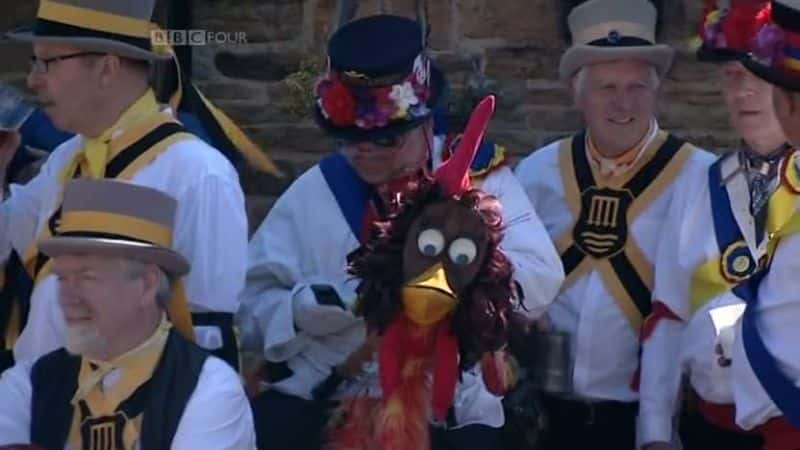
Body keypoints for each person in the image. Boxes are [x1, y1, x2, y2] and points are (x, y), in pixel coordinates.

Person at [237, 14, 564, 450]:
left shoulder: (483, 180)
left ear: (426, 123)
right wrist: (304, 308)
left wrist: (460, 279)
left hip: (452, 415)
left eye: (386, 140)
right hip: (337, 409)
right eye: (349, 140)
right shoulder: (315, 192)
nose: (364, 152)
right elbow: (250, 306)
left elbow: (542, 277)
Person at [0, 0, 248, 372]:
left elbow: (205, 337)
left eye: (46, 62)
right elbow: (8, 240)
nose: (33, 79)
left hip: (122, 419)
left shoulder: (198, 173)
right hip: (37, 400)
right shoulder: (68, 158)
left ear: (106, 67)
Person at [514, 0, 714, 448]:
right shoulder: (536, 173)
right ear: (576, 94)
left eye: (637, 86)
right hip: (544, 417)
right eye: (606, 87)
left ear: (657, 90)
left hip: (648, 423)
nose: (623, 102)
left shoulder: (701, 177)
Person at [637, 2, 800, 449]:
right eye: (731, 77)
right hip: (709, 431)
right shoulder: (700, 183)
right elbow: (667, 316)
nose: (743, 92)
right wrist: (654, 433)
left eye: (756, 76)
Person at [0, 178, 255, 449]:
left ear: (147, 284)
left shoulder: (209, 387)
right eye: (62, 278)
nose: (66, 297)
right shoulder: (28, 383)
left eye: (87, 277)